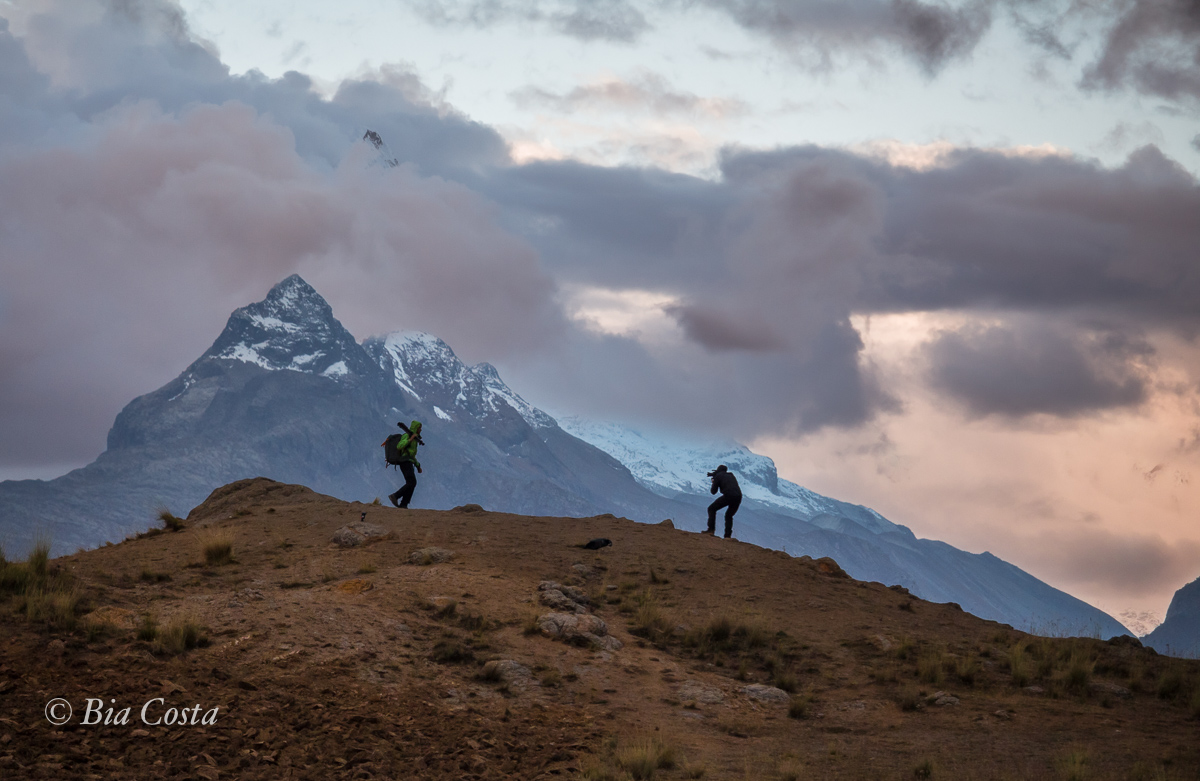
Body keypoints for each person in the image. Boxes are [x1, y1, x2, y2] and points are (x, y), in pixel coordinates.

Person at [388, 420, 423, 508]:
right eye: (419, 428)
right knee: (412, 482)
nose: (421, 430)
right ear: (416, 428)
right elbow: (399, 446)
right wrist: (410, 439)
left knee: (411, 482)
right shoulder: (407, 436)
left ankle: (404, 504)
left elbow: (411, 455)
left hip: (409, 461)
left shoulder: (415, 439)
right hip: (404, 461)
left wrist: (418, 465)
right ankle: (395, 496)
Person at [704, 464, 741, 539]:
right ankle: (727, 536)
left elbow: (713, 492)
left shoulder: (718, 476)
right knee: (729, 515)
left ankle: (711, 530)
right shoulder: (731, 475)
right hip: (738, 496)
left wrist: (714, 481)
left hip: (728, 495)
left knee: (711, 509)